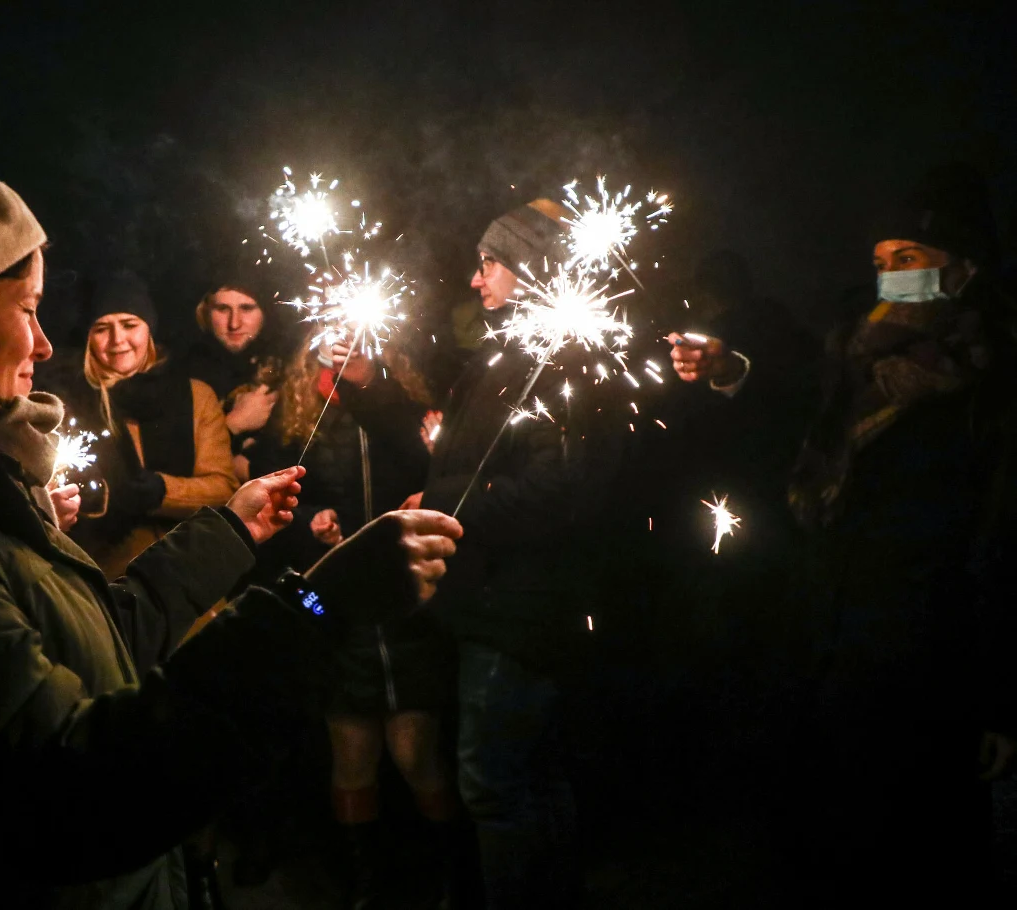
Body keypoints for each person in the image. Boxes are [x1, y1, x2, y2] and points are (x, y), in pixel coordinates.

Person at [0, 163, 464, 910]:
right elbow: (73, 793)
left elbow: (95, 641)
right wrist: (318, 610)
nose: (47, 345)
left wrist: (233, 527)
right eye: (27, 308)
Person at [668, 163, 1017, 901]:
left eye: (911, 261)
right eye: (881, 262)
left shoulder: (992, 378)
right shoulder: (853, 356)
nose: (891, 278)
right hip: (828, 644)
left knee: (920, 852)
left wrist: (999, 698)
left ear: (964, 268)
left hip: (931, 665)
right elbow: (793, 410)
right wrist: (731, 368)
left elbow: (1003, 539)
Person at [416, 200, 626, 908]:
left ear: (528, 267)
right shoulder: (513, 352)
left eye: (489, 263)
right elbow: (488, 462)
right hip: (503, 600)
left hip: (523, 607)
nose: (476, 281)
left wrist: (446, 504)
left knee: (494, 781)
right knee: (533, 774)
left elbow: (558, 487)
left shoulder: (564, 359)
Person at [248, 326, 456, 907]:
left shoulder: (400, 403)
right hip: (336, 607)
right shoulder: (292, 418)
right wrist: (311, 520)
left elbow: (432, 468)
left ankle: (447, 878)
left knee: (417, 751)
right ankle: (365, 887)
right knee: (352, 750)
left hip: (408, 602)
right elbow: (268, 502)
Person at [64, 271, 239, 581]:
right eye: (103, 328)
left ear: (149, 328)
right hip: (110, 579)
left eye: (130, 325)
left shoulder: (194, 395)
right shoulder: (73, 403)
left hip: (191, 572)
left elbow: (224, 489)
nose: (118, 340)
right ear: (88, 337)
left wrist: (162, 491)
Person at [183, 281, 286, 481]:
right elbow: (175, 463)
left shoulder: (290, 369)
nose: (234, 323)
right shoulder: (183, 375)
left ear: (265, 312)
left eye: (246, 308)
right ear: (204, 311)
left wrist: (256, 470)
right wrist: (233, 424)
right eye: (222, 309)